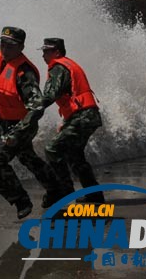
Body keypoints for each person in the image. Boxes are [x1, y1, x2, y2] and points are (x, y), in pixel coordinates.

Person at [0, 26, 62, 219]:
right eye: (2, 43)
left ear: (21, 47)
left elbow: (37, 107)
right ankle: (56, 189)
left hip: (22, 125)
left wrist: (18, 133)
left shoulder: (24, 73)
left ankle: (21, 200)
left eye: (10, 45)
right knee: (27, 158)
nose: (5, 48)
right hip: (5, 122)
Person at [26, 37, 104, 204]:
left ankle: (65, 192)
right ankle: (94, 195)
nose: (43, 55)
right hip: (87, 115)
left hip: (83, 116)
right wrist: (66, 121)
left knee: (52, 149)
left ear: (57, 52)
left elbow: (50, 95)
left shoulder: (58, 67)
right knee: (74, 155)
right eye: (43, 51)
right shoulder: (67, 64)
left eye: (46, 51)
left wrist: (31, 111)